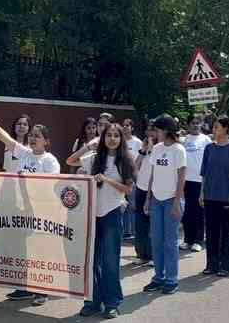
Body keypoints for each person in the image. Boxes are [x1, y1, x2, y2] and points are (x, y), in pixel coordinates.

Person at [0, 108, 60, 306]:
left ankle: (42, 290)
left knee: (39, 252)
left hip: (42, 213)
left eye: (38, 136)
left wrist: (31, 179)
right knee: (22, 250)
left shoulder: (49, 160)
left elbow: (51, 186)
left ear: (46, 141)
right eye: (32, 135)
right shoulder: (24, 153)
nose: (33, 138)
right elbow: (6, 139)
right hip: (22, 211)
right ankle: (24, 288)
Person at [67, 123, 135, 319]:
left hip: (112, 214)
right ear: (103, 138)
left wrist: (106, 179)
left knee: (110, 262)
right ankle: (93, 301)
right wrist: (88, 146)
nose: (112, 139)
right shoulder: (95, 158)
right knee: (92, 261)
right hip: (92, 215)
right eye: (108, 135)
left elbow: (127, 190)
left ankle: (112, 303)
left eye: (116, 135)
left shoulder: (125, 160)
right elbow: (70, 160)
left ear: (121, 139)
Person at [142, 115, 187, 295]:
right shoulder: (157, 148)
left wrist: (177, 201)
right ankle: (158, 277)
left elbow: (182, 176)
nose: (155, 133)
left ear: (167, 130)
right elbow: (153, 174)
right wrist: (148, 197)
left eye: (158, 130)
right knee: (156, 240)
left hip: (171, 200)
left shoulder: (178, 150)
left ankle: (171, 279)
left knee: (170, 242)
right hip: (156, 200)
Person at [200, 116, 229, 276]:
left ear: (225, 129)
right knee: (211, 232)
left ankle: (226, 265)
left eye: (217, 127)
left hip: (226, 197)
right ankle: (212, 264)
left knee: (226, 232)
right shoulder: (209, 148)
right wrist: (201, 192)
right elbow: (204, 173)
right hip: (210, 195)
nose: (214, 129)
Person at [180, 114, 212, 252]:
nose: (195, 125)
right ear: (188, 125)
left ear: (201, 125)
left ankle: (198, 240)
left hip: (200, 181)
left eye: (198, 123)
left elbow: (209, 161)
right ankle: (187, 239)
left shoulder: (206, 140)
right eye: (193, 123)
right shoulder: (183, 140)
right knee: (187, 212)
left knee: (199, 211)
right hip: (186, 180)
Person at [132, 122, 157, 266]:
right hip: (141, 187)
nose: (150, 134)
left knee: (152, 224)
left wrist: (152, 146)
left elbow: (155, 162)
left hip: (154, 189)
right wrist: (143, 150)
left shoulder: (160, 149)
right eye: (148, 130)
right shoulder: (144, 148)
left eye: (153, 131)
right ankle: (142, 254)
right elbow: (135, 166)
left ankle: (153, 255)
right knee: (140, 223)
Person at [121, 118, 142, 240]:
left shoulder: (137, 142)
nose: (125, 127)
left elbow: (141, 158)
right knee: (123, 205)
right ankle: (125, 232)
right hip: (120, 176)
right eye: (123, 125)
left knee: (133, 205)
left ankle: (135, 232)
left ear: (132, 128)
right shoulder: (120, 141)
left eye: (128, 125)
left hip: (132, 176)